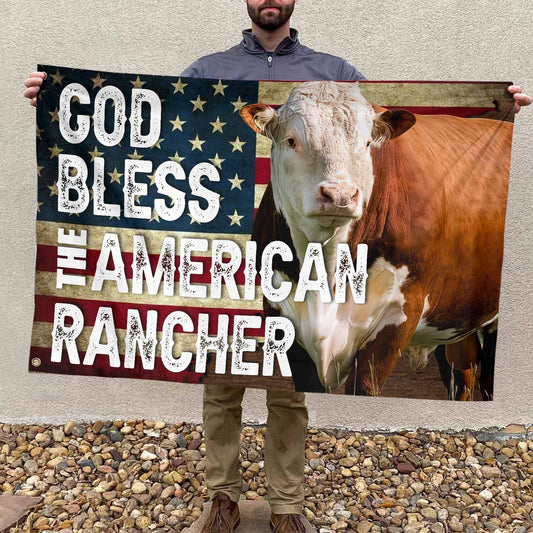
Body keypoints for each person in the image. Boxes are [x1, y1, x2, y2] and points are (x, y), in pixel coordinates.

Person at [23, 2, 531, 532]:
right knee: (221, 382)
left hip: (303, 253)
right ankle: (223, 496)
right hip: (222, 250)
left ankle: (286, 503)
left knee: (292, 384)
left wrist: (495, 112)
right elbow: (148, 134)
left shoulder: (335, 74)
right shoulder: (205, 72)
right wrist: (54, 105)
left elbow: (387, 132)